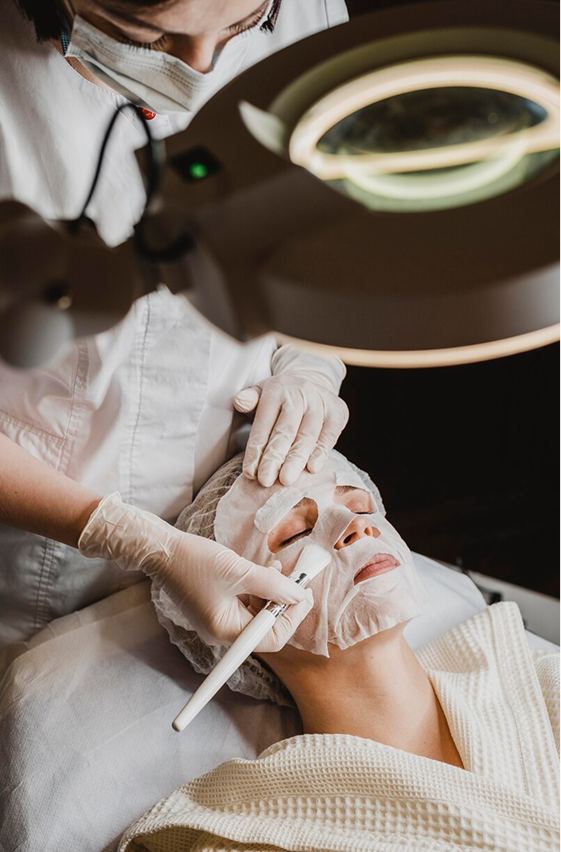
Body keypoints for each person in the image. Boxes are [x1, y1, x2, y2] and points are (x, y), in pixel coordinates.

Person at [0, 0, 350, 650]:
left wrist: (309, 362)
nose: (202, 67)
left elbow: (315, 237)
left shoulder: (311, 12)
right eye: (146, 34)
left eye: (244, 27)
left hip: (223, 507)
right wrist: (132, 538)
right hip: (22, 567)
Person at [118, 450, 561, 851]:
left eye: (362, 506)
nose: (356, 527)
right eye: (294, 534)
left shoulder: (540, 685)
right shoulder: (250, 835)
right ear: (238, 613)